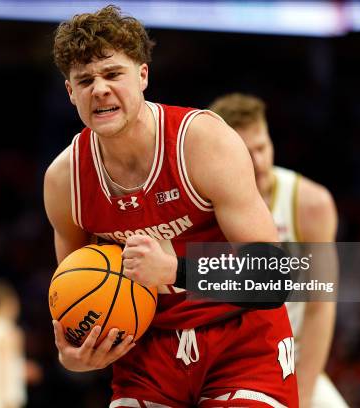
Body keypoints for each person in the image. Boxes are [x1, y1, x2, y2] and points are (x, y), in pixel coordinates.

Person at [44, 6, 298, 407]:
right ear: (70, 92)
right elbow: (77, 293)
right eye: (85, 80)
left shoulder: (202, 142)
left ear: (143, 75)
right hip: (150, 352)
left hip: (241, 339)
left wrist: (176, 271)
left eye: (113, 74)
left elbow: (274, 280)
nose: (100, 89)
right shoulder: (64, 180)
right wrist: (74, 354)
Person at [209, 93, 347, 408]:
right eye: (245, 152)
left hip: (290, 360)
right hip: (226, 368)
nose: (257, 162)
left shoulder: (310, 203)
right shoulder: (201, 206)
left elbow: (320, 307)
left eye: (262, 147)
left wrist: (305, 392)